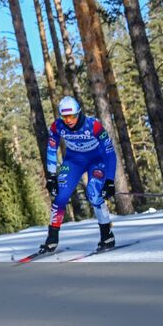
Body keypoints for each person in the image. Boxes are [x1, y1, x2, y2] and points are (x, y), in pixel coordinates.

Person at [39, 95, 116, 254]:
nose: (68, 120)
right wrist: (52, 176)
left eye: (72, 116)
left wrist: (109, 180)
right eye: (64, 116)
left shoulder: (93, 125)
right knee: (60, 195)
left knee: (94, 193)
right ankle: (52, 238)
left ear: (79, 113)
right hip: (74, 161)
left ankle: (106, 234)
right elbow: (51, 150)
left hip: (97, 159)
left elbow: (109, 153)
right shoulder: (57, 126)